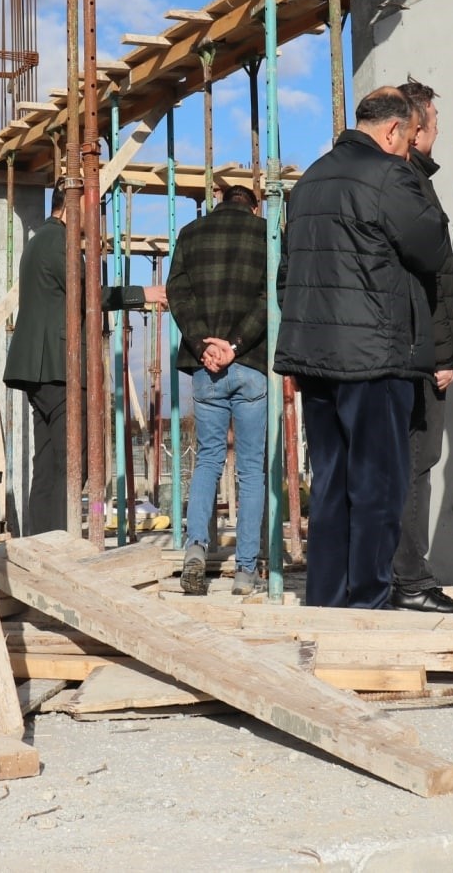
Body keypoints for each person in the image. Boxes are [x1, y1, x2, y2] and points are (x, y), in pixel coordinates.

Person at [277, 86, 450, 609]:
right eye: (410, 136)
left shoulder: (309, 180)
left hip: (314, 354)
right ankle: (369, 602)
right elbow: (431, 247)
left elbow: (289, 272)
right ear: (395, 131)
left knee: (330, 482)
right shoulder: (389, 175)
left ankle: (327, 599)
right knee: (378, 484)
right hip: (372, 355)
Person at [2, 190, 164, 536]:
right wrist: (142, 294)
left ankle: (42, 539)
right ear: (74, 208)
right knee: (74, 458)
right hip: (59, 366)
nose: (96, 220)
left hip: (42, 368)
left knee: (47, 461)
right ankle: (60, 539)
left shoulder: (40, 240)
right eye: (94, 210)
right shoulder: (57, 242)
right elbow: (90, 294)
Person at [389, 80, 453, 615]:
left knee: (404, 464)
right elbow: (433, 280)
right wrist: (444, 355)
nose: (438, 132)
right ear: (415, 129)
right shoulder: (409, 186)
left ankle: (402, 575)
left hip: (404, 348)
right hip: (417, 352)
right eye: (435, 124)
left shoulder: (407, 181)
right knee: (417, 463)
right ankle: (411, 580)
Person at [165, 182, 270, 598]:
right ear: (254, 207)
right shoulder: (265, 236)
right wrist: (235, 345)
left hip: (205, 364)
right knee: (251, 470)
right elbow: (270, 299)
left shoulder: (191, 234)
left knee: (207, 462)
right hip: (249, 365)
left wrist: (203, 343)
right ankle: (245, 572)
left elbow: (178, 293)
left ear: (220, 202)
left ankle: (194, 552)